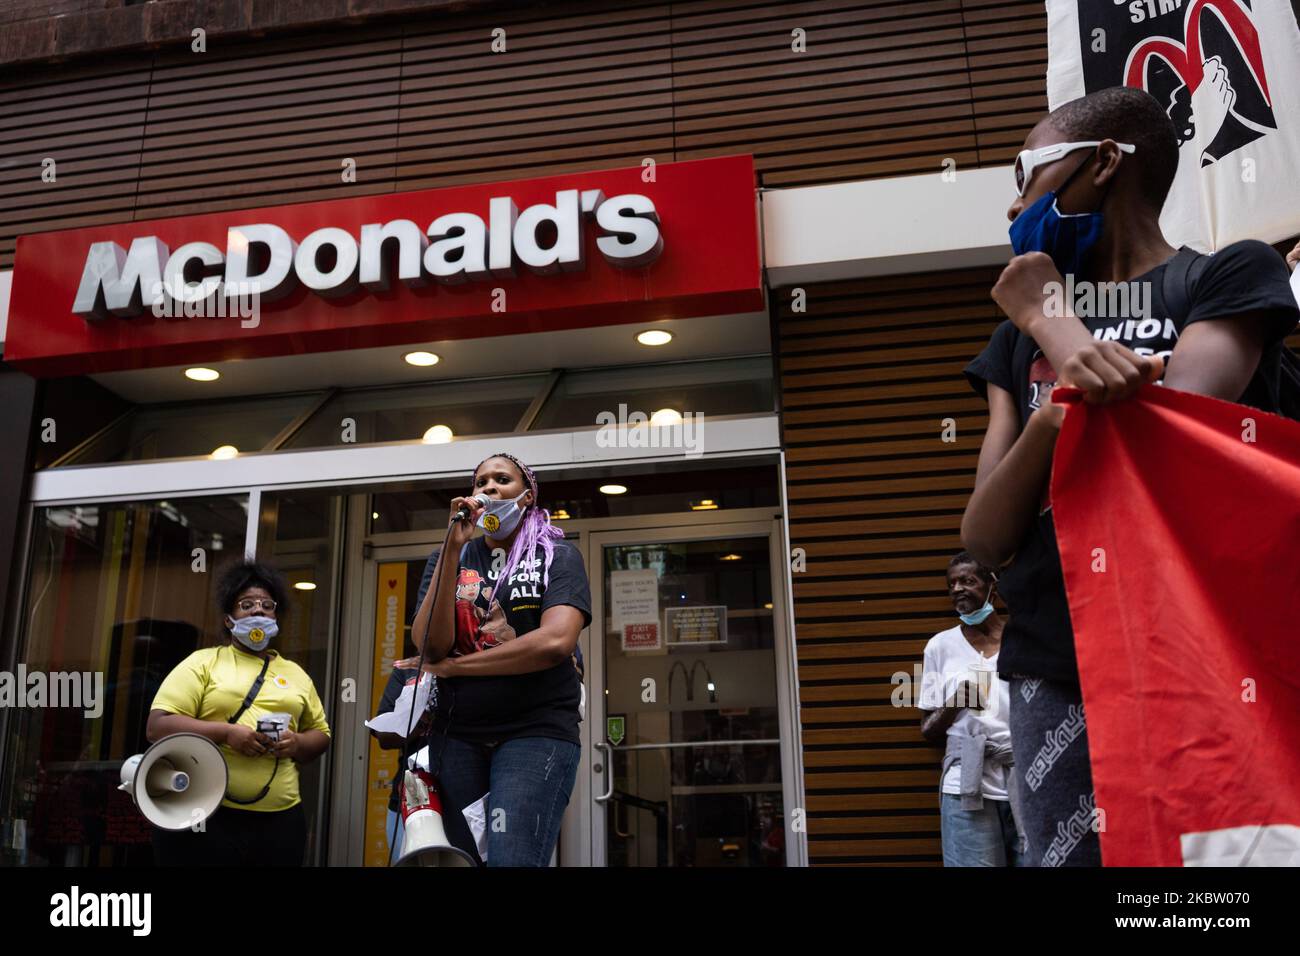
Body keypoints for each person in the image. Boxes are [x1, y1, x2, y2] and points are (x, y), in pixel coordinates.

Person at [962, 86, 1300, 866]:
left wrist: (1051, 315)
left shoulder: (1227, 276)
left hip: (1213, 651)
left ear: (1105, 162)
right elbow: (984, 534)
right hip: (1060, 662)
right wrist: (1052, 414)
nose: (1017, 202)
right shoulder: (1011, 344)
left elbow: (1171, 437)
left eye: (1027, 171)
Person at [403, 452, 590, 866]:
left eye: (502, 479)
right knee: (463, 861)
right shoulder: (449, 557)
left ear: (526, 496)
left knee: (512, 858)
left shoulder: (557, 555)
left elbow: (555, 642)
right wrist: (452, 547)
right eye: (480, 481)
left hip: (534, 731)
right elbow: (430, 647)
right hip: (459, 735)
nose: (488, 487)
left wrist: (457, 668)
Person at [147, 560, 331, 866]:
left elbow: (321, 735)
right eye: (246, 605)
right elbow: (158, 726)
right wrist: (226, 733)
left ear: (276, 615)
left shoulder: (296, 674)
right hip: (207, 813)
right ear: (229, 620)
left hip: (280, 820)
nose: (258, 611)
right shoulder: (203, 663)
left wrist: (296, 743)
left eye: (266, 605)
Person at [919, 553, 1023, 867]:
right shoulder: (939, 646)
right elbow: (927, 730)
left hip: (1025, 779)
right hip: (965, 787)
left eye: (968, 580)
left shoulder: (1022, 641)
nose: (958, 589)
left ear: (992, 585)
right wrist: (955, 702)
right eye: (952, 583)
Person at [369, 662, 423, 856]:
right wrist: (424, 719)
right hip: (411, 791)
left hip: (463, 788)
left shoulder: (474, 661)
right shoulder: (406, 669)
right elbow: (384, 735)